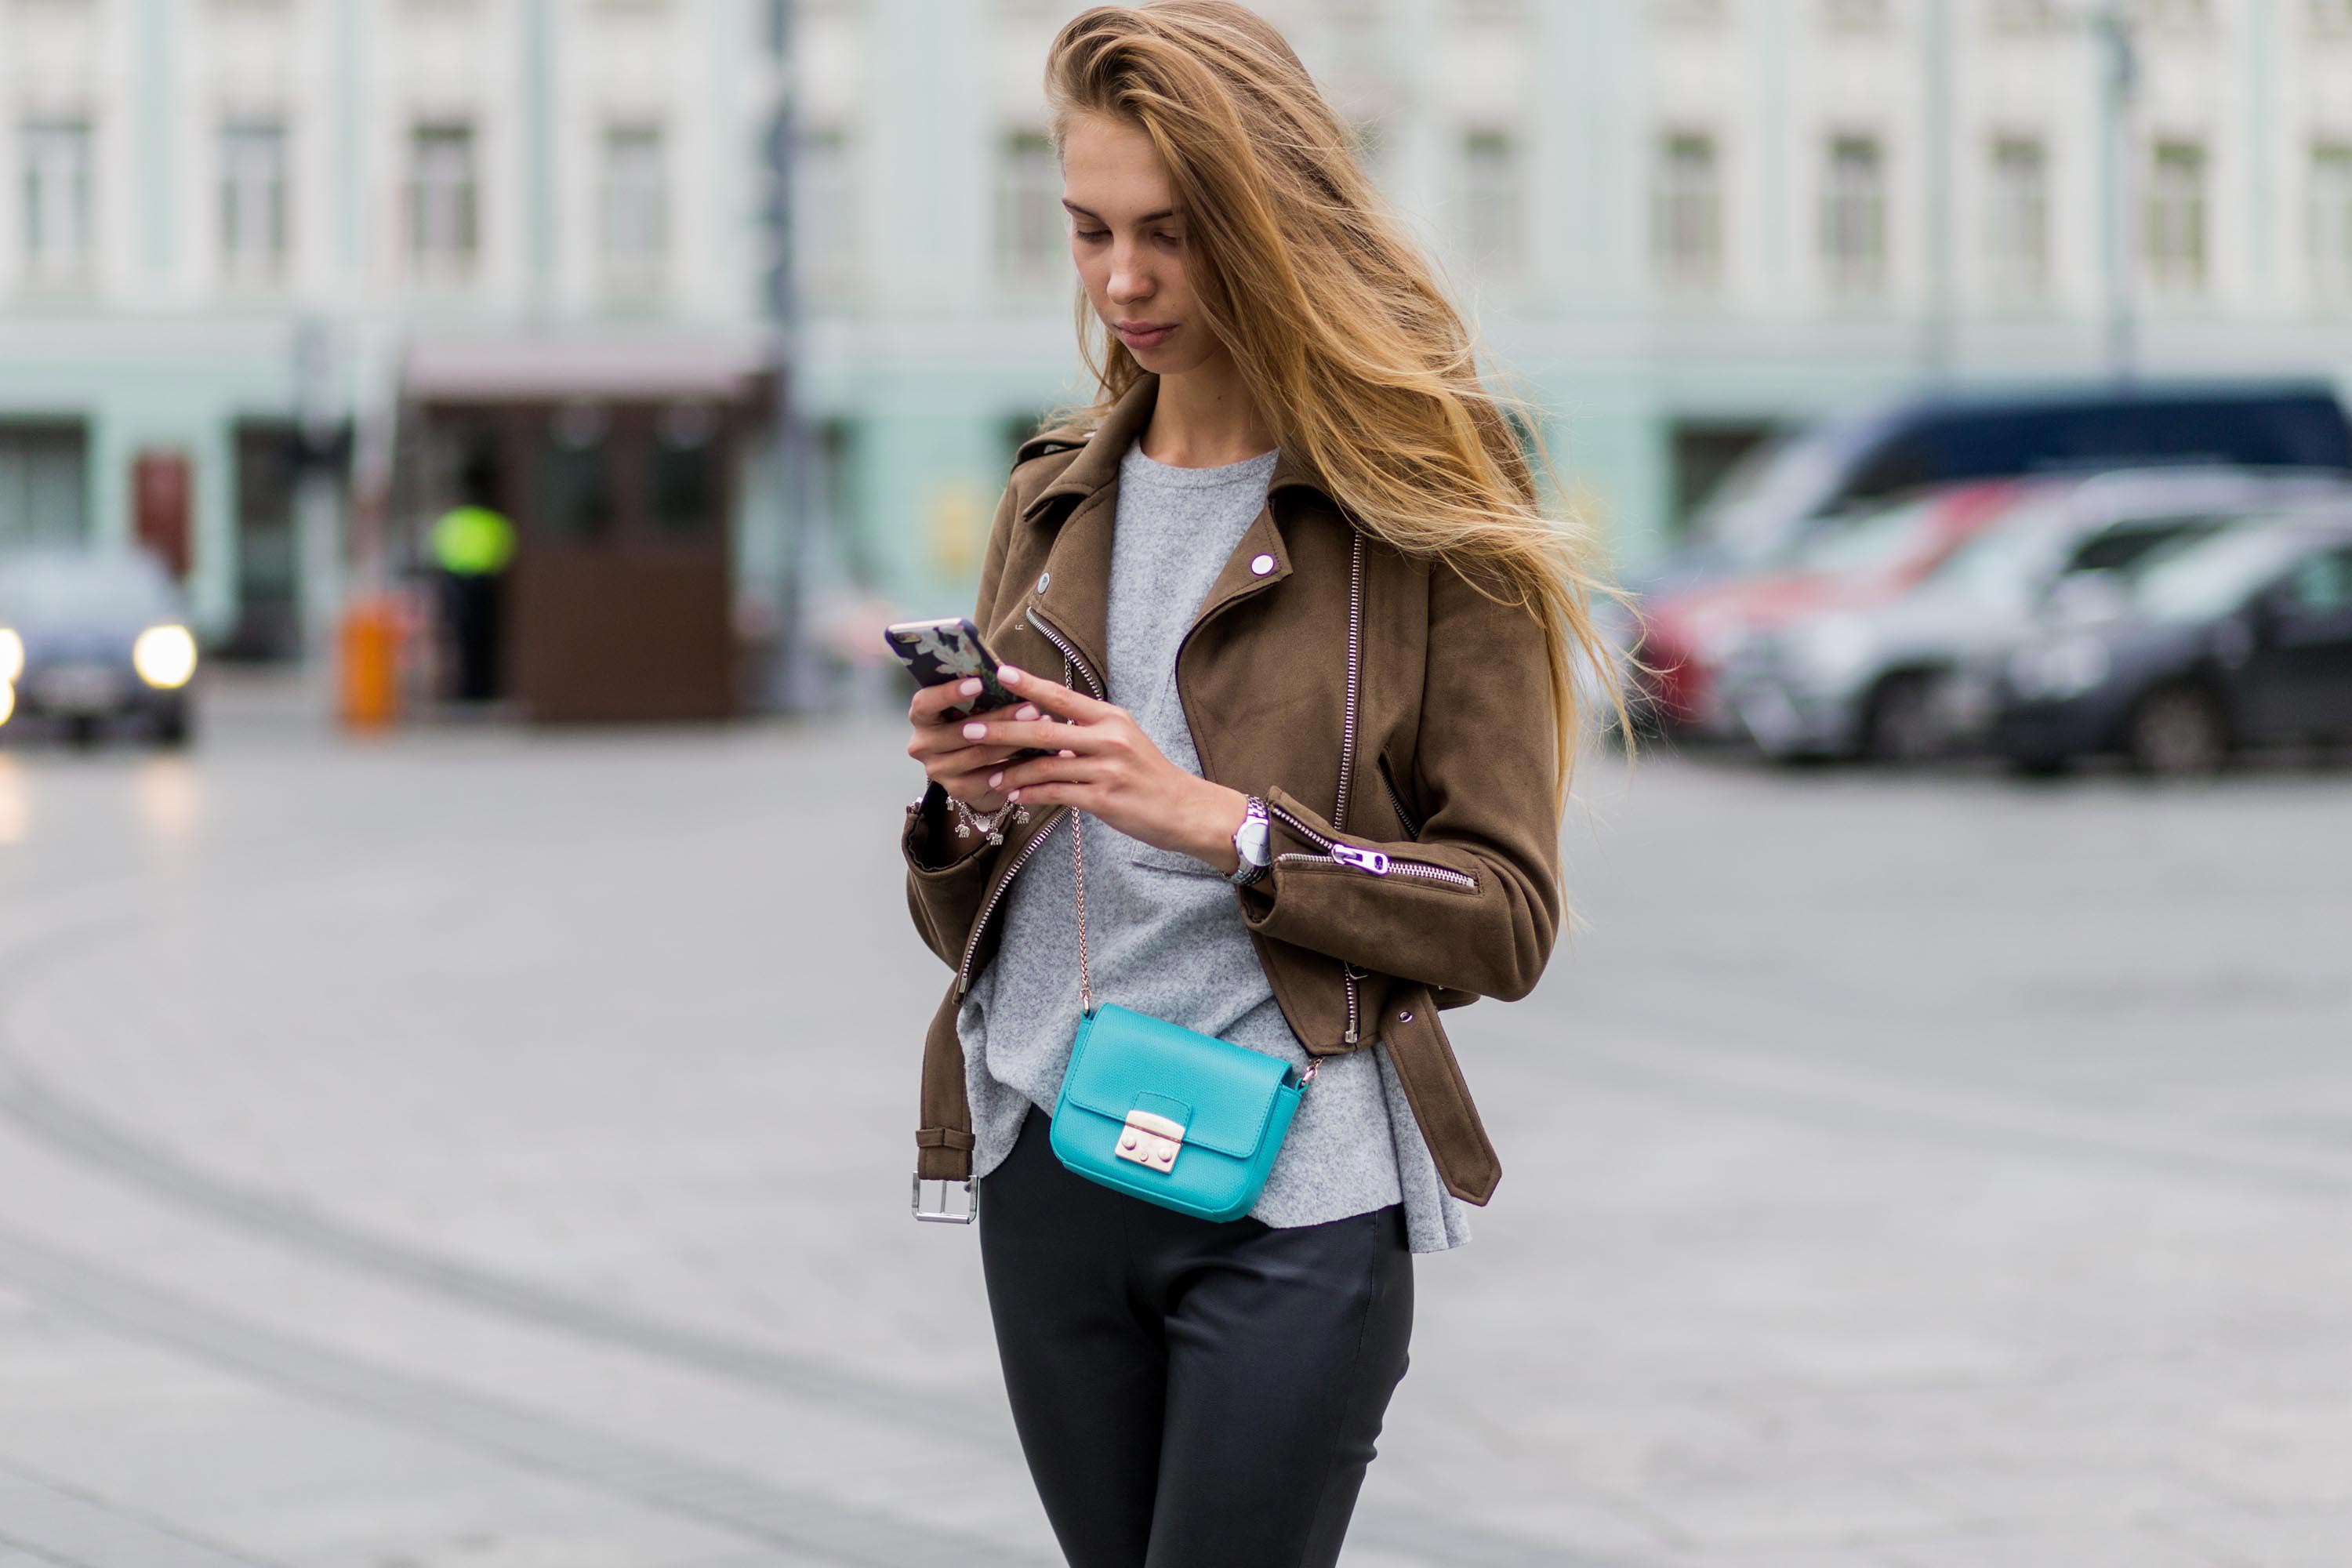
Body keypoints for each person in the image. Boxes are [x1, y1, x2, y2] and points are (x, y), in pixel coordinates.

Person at [898, 5, 1630, 1564]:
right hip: (1049, 1161)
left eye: (1172, 232)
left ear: (1268, 216)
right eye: (1090, 230)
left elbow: (1502, 916)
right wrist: (966, 806)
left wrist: (1219, 820)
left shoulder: (1429, 497)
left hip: (1293, 1201)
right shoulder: (1053, 494)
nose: (1123, 282)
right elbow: (967, 903)